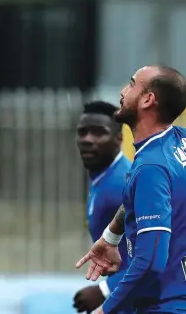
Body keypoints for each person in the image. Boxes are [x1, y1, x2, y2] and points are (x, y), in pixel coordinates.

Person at [76, 66, 186, 314]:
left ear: (148, 100)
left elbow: (150, 263)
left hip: (165, 306)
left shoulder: (151, 167)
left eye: (132, 83)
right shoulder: (178, 140)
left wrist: (105, 309)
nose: (123, 91)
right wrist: (112, 235)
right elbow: (141, 196)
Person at [73, 101, 132, 314]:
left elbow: (159, 253)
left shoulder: (124, 185)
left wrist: (106, 290)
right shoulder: (102, 176)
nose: (87, 139)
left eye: (99, 133)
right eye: (82, 132)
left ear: (119, 139)